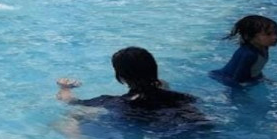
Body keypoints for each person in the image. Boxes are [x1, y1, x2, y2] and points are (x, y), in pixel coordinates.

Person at [57, 47, 200, 114]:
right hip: (194, 122)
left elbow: (71, 102)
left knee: (74, 118)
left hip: (157, 132)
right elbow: (158, 86)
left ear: (120, 77)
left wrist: (64, 87)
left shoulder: (113, 102)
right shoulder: (182, 97)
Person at [210, 15, 277, 85]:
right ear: (249, 36)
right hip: (225, 78)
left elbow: (255, 67)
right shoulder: (249, 54)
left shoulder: (264, 47)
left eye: (276, 33)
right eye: (268, 34)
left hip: (240, 77)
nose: (275, 37)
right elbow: (238, 79)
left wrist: (262, 78)